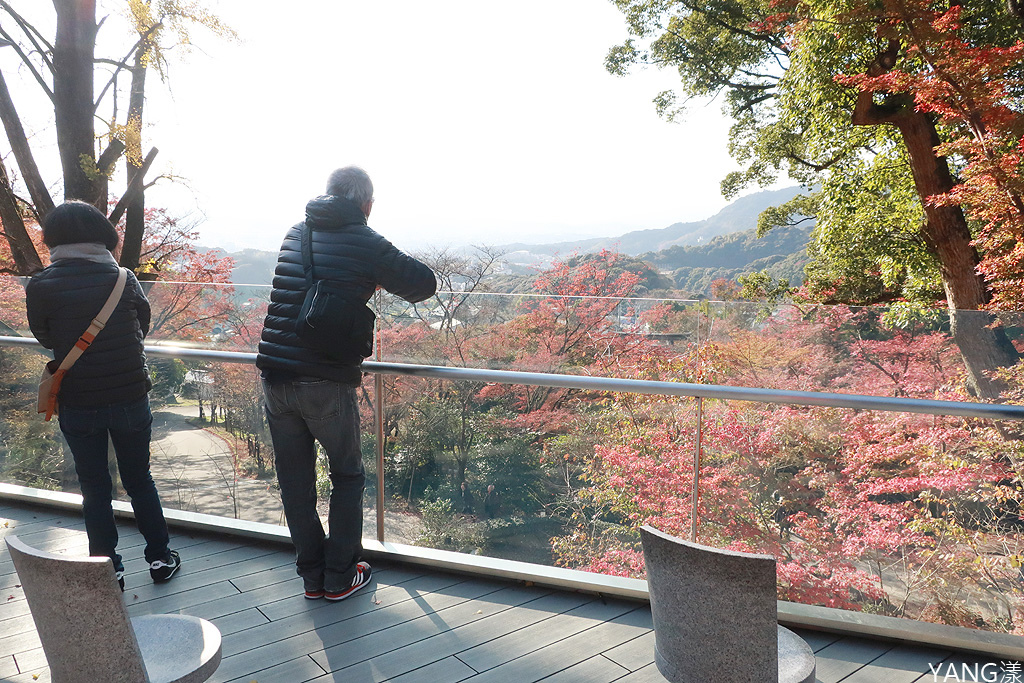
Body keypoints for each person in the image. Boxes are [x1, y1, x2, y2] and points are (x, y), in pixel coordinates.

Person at [257, 166, 436, 601]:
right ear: (367, 204)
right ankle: (340, 575)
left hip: (275, 377)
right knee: (347, 476)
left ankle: (312, 578)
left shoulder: (295, 233)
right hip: (325, 379)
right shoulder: (365, 240)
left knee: (294, 481)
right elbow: (423, 285)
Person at [25, 201, 181, 589]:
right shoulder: (123, 279)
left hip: (78, 400)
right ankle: (160, 558)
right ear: (103, 238)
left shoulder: (40, 284)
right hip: (130, 395)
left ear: (54, 241)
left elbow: (45, 338)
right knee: (139, 478)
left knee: (94, 485)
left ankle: (109, 567)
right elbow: (139, 326)